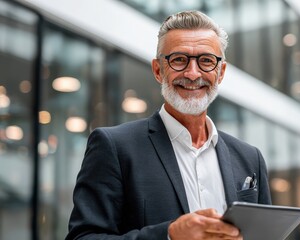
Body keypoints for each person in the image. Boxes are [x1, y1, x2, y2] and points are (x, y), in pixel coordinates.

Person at [66, 10, 271, 240]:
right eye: (179, 60)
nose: (193, 74)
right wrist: (169, 235)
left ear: (220, 72)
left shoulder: (249, 157)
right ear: (158, 70)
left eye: (206, 61)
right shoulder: (114, 146)